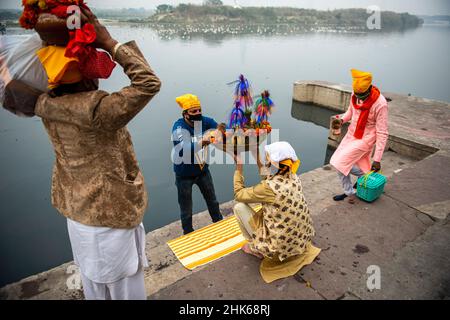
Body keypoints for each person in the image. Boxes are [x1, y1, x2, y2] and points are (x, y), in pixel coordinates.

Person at [8, 8, 161, 299]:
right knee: (125, 290)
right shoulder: (98, 111)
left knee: (94, 287)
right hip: (110, 218)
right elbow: (148, 83)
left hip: (77, 215)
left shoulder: (42, 105)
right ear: (85, 77)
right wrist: (109, 42)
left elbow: (13, 89)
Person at [231, 141, 321, 283]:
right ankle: (262, 244)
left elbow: (239, 194)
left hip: (278, 248)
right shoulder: (294, 177)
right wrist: (258, 159)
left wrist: (239, 168)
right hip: (299, 241)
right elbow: (268, 181)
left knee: (239, 207)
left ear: (272, 161)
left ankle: (255, 248)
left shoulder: (268, 188)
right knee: (267, 208)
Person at [330, 69, 389, 204]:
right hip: (352, 134)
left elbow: (382, 132)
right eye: (356, 95)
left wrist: (377, 159)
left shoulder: (380, 104)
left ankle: (350, 192)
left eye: (362, 96)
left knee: (340, 163)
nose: (359, 98)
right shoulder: (355, 94)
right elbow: (351, 112)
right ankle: (366, 177)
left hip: (366, 138)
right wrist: (341, 120)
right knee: (340, 162)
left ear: (369, 90)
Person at [172, 94, 225, 235]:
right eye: (193, 111)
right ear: (185, 114)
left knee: (213, 201)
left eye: (199, 110)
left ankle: (219, 223)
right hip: (184, 175)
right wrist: (204, 141)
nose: (198, 113)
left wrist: (221, 130)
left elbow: (219, 129)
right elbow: (184, 149)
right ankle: (188, 233)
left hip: (203, 171)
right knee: (186, 209)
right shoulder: (178, 128)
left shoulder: (205, 121)